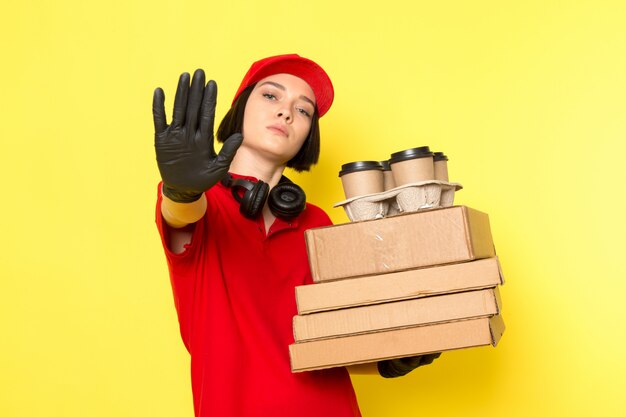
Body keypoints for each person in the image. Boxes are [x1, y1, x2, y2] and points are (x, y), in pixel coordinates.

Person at [152, 54, 439, 417]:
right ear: (239, 109)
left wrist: (390, 360)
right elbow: (179, 214)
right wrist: (181, 190)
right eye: (271, 96)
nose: (286, 113)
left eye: (303, 111)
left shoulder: (316, 223)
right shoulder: (201, 204)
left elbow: (326, 343)